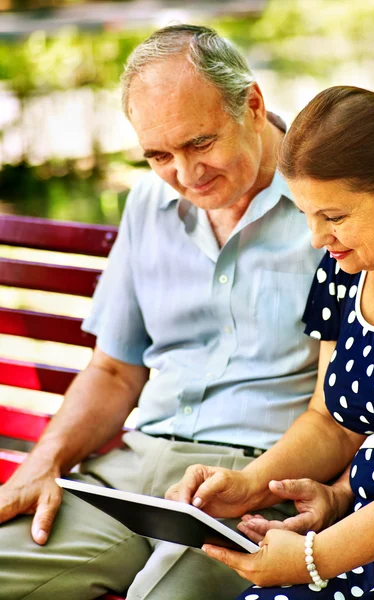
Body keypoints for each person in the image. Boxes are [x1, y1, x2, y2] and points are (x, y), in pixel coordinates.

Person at [0, 25, 326, 600]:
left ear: (252, 105)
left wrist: (271, 487)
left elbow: (341, 411)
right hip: (132, 472)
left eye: (200, 143)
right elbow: (114, 371)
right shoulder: (149, 203)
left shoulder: (326, 204)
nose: (185, 174)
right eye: (158, 154)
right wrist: (42, 462)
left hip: (258, 481)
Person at [167, 86, 374, 598]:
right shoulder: (347, 269)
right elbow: (331, 423)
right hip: (365, 543)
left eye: (334, 216)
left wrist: (317, 558)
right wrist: (251, 485)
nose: (317, 239)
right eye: (306, 216)